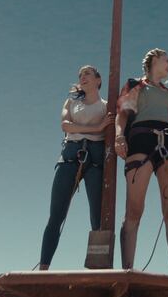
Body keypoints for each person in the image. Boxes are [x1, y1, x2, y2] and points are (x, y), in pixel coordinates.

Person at [115, 48, 168, 276]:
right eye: (166, 59)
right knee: (134, 210)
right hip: (141, 140)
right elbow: (123, 114)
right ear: (154, 60)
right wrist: (120, 136)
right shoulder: (135, 85)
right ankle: (127, 270)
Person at [38, 65, 114, 270]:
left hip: (95, 160)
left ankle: (99, 267)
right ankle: (44, 266)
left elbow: (112, 130)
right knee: (56, 214)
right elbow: (66, 125)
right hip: (70, 156)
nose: (82, 77)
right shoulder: (71, 101)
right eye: (80, 75)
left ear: (98, 80)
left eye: (87, 73)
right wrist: (96, 128)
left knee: (98, 217)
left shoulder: (107, 106)